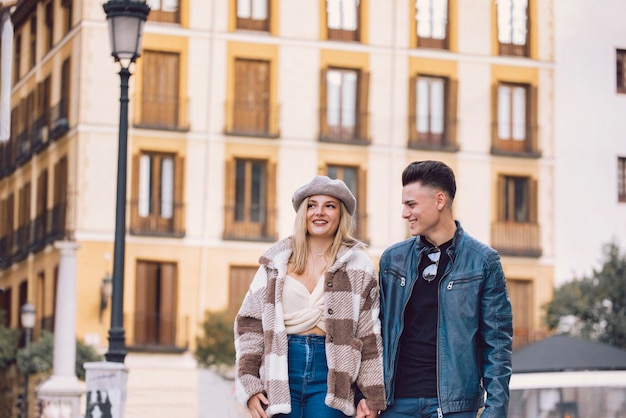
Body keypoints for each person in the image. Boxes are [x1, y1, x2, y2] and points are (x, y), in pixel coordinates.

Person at [357, 160, 513, 418]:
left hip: (454, 406)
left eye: (411, 204)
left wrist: (494, 412)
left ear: (439, 200)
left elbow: (497, 345)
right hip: (395, 404)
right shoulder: (392, 260)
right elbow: (371, 333)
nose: (405, 213)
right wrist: (366, 395)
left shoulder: (482, 261)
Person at [235, 175, 387, 418]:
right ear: (302, 213)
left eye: (330, 206)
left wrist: (372, 397)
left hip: (333, 375)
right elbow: (249, 325)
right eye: (312, 205)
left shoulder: (359, 266)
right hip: (279, 370)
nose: (320, 213)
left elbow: (369, 335)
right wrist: (250, 386)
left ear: (341, 214)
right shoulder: (275, 261)